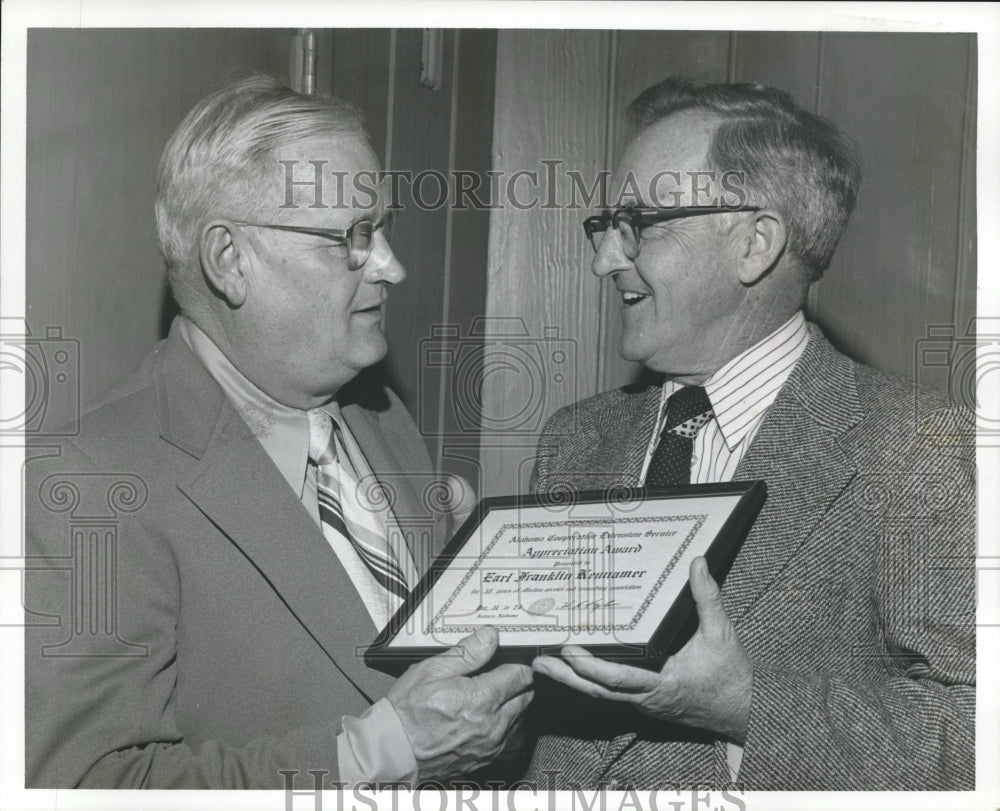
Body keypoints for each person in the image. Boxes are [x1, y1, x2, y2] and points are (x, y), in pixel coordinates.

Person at [24, 75, 532, 789]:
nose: (391, 265)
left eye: (381, 228)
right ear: (231, 259)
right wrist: (379, 749)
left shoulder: (379, 412)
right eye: (352, 237)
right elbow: (82, 784)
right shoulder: (89, 477)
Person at [523, 77, 975, 790]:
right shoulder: (572, 439)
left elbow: (975, 733)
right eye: (604, 225)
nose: (603, 259)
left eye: (639, 223)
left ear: (755, 244)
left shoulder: (916, 448)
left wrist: (747, 707)